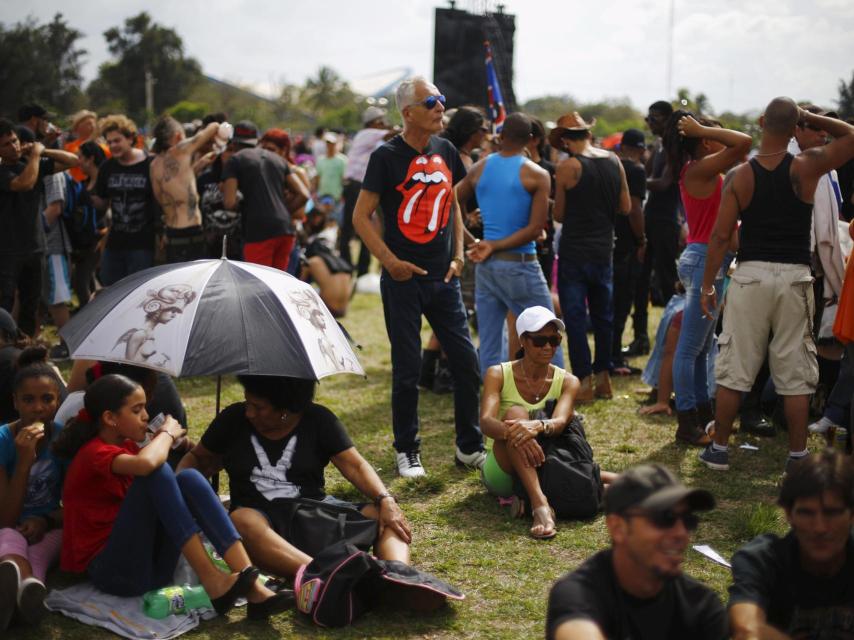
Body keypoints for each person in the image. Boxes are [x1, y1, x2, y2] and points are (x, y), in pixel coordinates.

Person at [54, 374, 290, 618]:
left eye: (145, 407)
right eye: (137, 410)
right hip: (114, 574)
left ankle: (253, 585)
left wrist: (179, 443)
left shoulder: (126, 447)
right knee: (157, 472)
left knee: (189, 478)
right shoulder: (93, 453)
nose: (146, 416)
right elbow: (148, 465)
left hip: (151, 569)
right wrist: (166, 433)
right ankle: (212, 580)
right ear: (110, 418)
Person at [699, 99, 854, 471]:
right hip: (795, 276)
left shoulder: (740, 175)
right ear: (795, 128)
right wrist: (809, 116)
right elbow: (851, 135)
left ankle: (719, 449)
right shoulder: (807, 166)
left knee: (735, 367)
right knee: (795, 371)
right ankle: (797, 455)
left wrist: (707, 285)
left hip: (750, 275)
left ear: (761, 122)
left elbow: (720, 237)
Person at [353, 76, 486, 478]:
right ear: (408, 112)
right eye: (431, 102)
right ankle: (407, 449)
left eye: (441, 99)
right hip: (403, 280)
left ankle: (469, 446)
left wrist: (459, 255)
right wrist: (390, 262)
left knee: (467, 363)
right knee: (408, 370)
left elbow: (453, 204)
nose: (440, 106)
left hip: (444, 279)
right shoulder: (385, 156)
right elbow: (360, 216)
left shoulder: (446, 150)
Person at [177, 375, 411, 578]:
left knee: (386, 517)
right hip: (261, 528)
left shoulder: (318, 420)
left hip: (312, 516)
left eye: (258, 407)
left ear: (285, 409)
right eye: (247, 403)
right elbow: (197, 459)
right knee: (240, 520)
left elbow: (355, 465)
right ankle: (324, 576)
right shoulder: (233, 420)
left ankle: (398, 577)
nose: (249, 413)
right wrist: (180, 487)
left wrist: (385, 499)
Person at [480, 306, 616, 539]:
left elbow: (561, 421)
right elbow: (485, 423)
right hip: (503, 470)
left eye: (554, 340)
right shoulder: (498, 374)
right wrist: (518, 431)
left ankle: (529, 499)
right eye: (540, 340)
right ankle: (540, 504)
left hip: (547, 462)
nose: (548, 347)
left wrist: (537, 427)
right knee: (515, 413)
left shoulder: (568, 381)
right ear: (523, 341)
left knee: (561, 468)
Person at [546, 464, 726, 639]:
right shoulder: (579, 594)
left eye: (688, 520)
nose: (681, 533)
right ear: (618, 528)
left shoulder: (702, 606)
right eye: (664, 518)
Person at [663, 112, 751, 445]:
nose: (721, 137)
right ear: (704, 141)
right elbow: (743, 142)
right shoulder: (698, 170)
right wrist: (702, 128)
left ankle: (701, 415)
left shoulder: (702, 170)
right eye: (715, 133)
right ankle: (687, 423)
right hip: (704, 262)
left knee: (700, 348)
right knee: (689, 349)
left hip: (707, 260)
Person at [456, 112, 563, 377]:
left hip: (487, 267)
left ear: (501, 136)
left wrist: (475, 242)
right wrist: (488, 245)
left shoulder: (480, 167)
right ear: (530, 139)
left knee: (490, 342)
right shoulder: (537, 174)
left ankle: (490, 399)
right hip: (520, 265)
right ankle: (555, 398)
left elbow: (449, 202)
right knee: (549, 334)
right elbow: (535, 229)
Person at [728, 449, 854, 639]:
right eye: (806, 513)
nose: (819, 528)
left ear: (852, 515)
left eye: (832, 513)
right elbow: (747, 629)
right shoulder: (763, 560)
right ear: (788, 514)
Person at [551, 112, 631, 402]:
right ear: (588, 134)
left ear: (565, 140)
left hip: (574, 252)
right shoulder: (614, 161)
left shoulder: (567, 167)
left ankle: (583, 381)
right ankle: (604, 376)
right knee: (603, 317)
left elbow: (559, 214)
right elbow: (625, 206)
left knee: (574, 318)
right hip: (603, 250)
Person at [0, 348, 65, 629]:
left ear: (58, 400)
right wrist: (24, 462)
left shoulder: (63, 438)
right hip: (8, 526)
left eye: (47, 399)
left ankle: (23, 591)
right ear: (15, 402)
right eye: (28, 400)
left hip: (50, 526)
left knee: (47, 545)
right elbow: (5, 519)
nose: (38, 408)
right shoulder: (3, 440)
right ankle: (26, 587)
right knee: (8, 536)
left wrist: (45, 520)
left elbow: (77, 505)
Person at [0, 119, 78, 337]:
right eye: (6, 144)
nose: (14, 146)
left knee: (31, 304)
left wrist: (43, 150)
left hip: (35, 247)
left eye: (15, 141)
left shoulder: (31, 164)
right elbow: (23, 184)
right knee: (5, 303)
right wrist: (35, 156)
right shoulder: (4, 171)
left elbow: (73, 161)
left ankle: (24, 346)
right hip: (7, 250)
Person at [628, 100, 681, 357]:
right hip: (650, 219)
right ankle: (640, 337)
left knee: (667, 281)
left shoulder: (674, 147)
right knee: (640, 279)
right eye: (648, 118)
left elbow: (664, 183)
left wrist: (635, 181)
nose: (650, 123)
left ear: (669, 119)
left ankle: (673, 336)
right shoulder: (658, 145)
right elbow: (646, 173)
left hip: (665, 222)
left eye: (655, 118)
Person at [222, 120, 309, 271]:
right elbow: (304, 194)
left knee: (257, 282)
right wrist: (283, 211)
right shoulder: (278, 159)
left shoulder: (235, 160)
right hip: (285, 230)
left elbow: (229, 203)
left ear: (234, 143)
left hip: (258, 230)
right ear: (257, 141)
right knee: (278, 282)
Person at [150, 115, 232, 263]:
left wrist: (198, 166)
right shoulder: (181, 149)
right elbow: (209, 129)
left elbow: (167, 192)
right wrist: (219, 128)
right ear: (178, 136)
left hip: (172, 235)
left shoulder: (154, 165)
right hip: (191, 235)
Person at [91, 115, 157, 285]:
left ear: (130, 139)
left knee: (139, 290)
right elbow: (102, 202)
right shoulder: (107, 167)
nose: (113, 145)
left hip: (143, 243)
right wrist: (85, 194)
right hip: (115, 242)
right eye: (109, 142)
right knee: (110, 286)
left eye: (117, 140)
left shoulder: (151, 164)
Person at [612, 128, 649, 373]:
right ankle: (615, 358)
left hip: (608, 240)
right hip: (627, 244)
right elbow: (635, 209)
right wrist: (641, 239)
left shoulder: (610, 165)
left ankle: (609, 356)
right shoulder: (636, 170)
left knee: (609, 304)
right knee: (622, 303)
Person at [340, 106, 391, 277]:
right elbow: (393, 133)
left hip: (362, 186)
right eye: (382, 122)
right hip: (356, 186)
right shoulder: (367, 133)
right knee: (352, 227)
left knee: (364, 227)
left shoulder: (372, 138)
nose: (384, 124)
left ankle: (361, 268)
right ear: (374, 122)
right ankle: (346, 266)